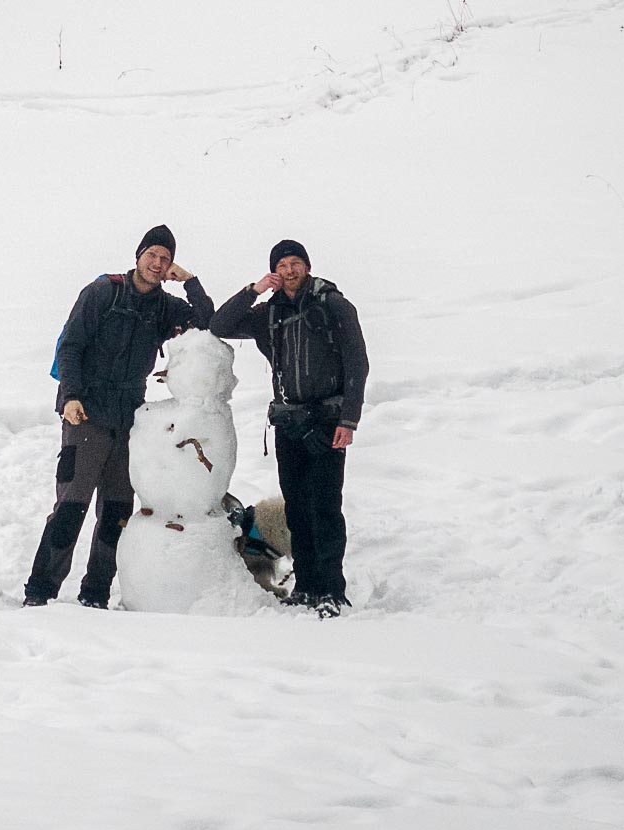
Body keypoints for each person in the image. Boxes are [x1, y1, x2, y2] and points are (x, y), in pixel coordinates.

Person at [22, 225, 214, 608]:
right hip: (87, 411)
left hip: (130, 418)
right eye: (152, 255)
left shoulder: (166, 307)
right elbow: (72, 346)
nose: (158, 264)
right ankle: (39, 592)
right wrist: (72, 396)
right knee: (71, 504)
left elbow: (205, 321)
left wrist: (191, 282)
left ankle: (95, 594)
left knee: (116, 510)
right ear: (138, 256)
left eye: (165, 259)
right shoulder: (102, 293)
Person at [209, 239, 369, 617]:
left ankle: (331, 590)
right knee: (297, 509)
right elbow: (220, 324)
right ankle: (308, 586)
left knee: (325, 508)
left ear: (307, 267)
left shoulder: (333, 305)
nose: (289, 270)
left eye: (296, 263)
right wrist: (254, 290)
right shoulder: (270, 314)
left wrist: (349, 419)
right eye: (282, 265)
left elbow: (357, 362)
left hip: (328, 422)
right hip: (288, 424)